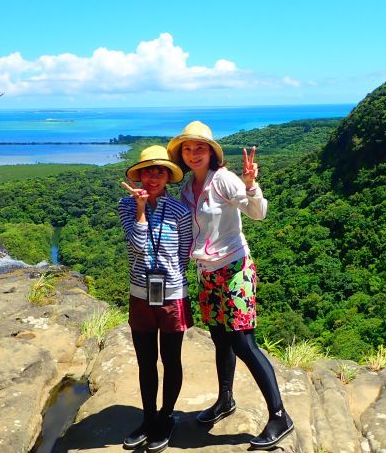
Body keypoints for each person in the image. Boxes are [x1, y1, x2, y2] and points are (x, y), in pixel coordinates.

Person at [166, 121, 294, 450]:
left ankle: (279, 415)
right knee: (220, 340)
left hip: (235, 268)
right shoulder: (186, 189)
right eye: (187, 149)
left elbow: (258, 213)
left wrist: (251, 185)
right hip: (207, 273)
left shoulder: (223, 179)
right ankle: (225, 401)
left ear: (211, 152)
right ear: (182, 154)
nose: (193, 154)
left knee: (243, 342)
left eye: (200, 148)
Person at [119, 145, 194, 453]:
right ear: (139, 174)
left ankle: (165, 417)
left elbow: (184, 253)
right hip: (140, 292)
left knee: (171, 360)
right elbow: (137, 246)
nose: (154, 176)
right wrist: (139, 209)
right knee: (145, 361)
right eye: (148, 170)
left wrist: (168, 275)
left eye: (160, 170)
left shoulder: (180, 211)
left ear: (168, 176)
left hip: (172, 293)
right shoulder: (126, 205)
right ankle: (148, 418)